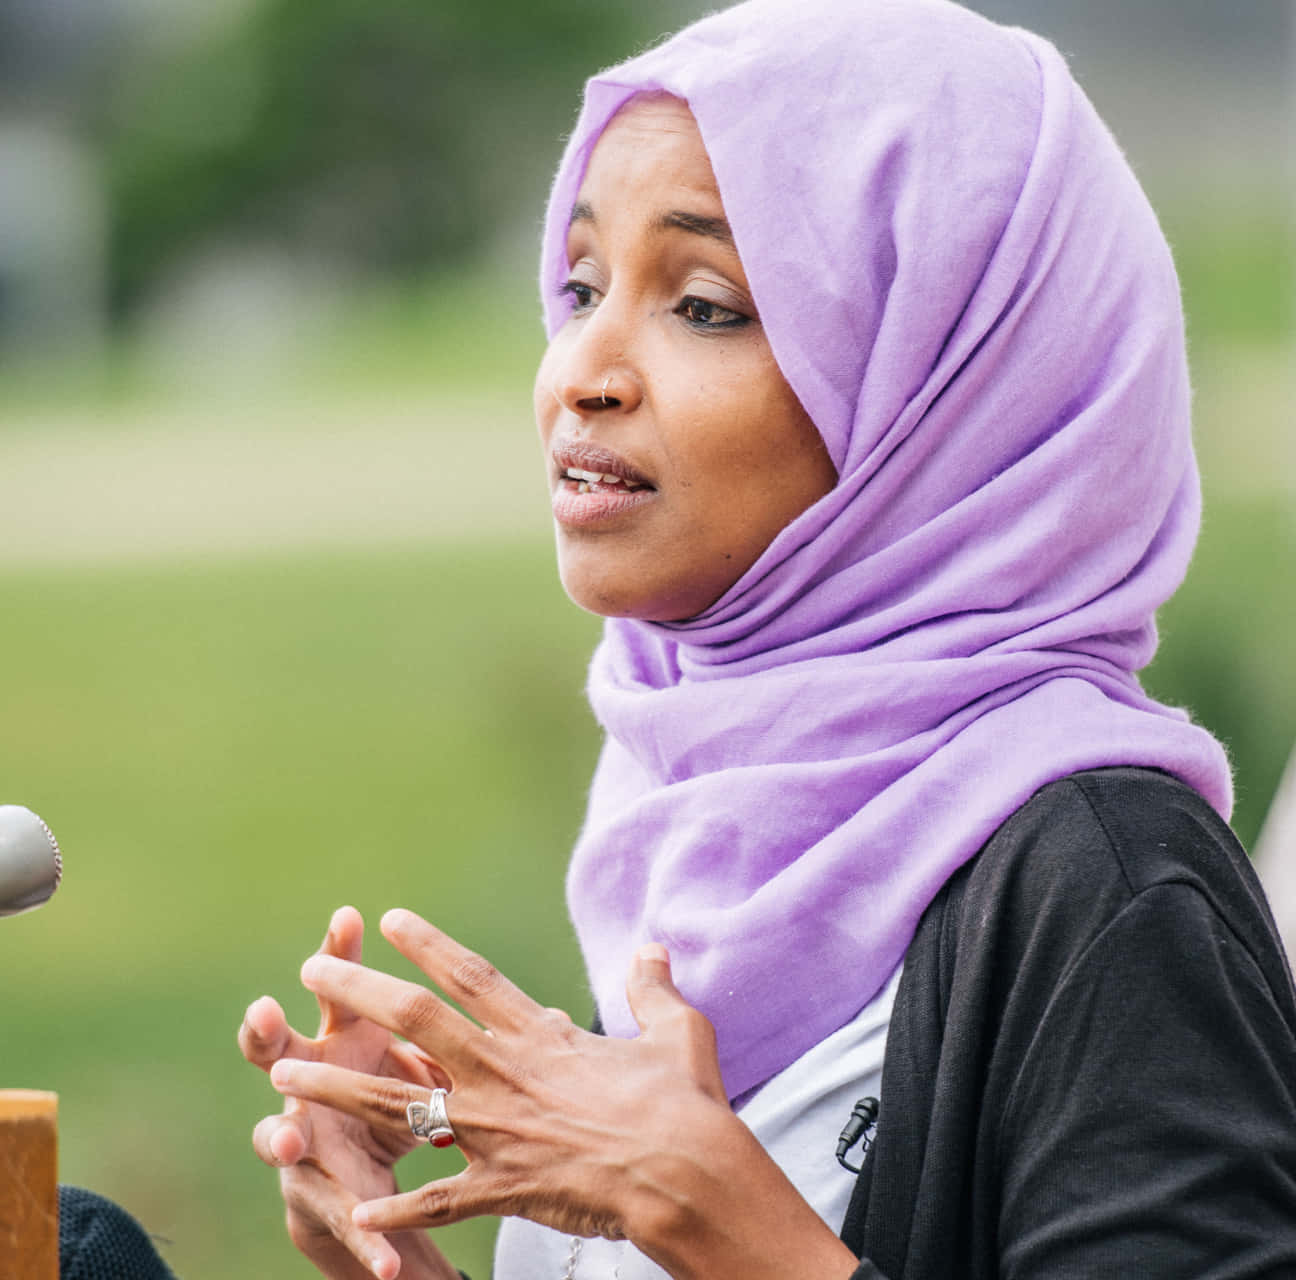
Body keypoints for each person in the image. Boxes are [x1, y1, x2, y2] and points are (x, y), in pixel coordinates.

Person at [237, 1, 1296, 1276]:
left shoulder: (1108, 886)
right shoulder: (690, 830)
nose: (584, 368)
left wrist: (719, 1218)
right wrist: (389, 1256)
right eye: (578, 287)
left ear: (942, 389)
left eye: (705, 303)